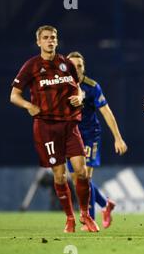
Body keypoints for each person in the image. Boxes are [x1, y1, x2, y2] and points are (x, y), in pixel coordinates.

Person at [10, 25, 99, 233]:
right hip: (46, 128)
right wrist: (29, 106)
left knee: (82, 172)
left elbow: (78, 86)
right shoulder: (31, 66)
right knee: (59, 176)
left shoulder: (66, 64)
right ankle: (69, 218)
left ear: (57, 41)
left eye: (53, 38)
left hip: (69, 125)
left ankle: (85, 214)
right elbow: (13, 95)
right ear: (39, 42)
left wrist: (80, 97)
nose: (50, 41)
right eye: (46, 38)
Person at [66, 51, 128, 230]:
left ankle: (89, 219)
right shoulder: (61, 86)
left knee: (85, 176)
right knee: (77, 180)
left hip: (89, 135)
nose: (76, 69)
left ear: (84, 68)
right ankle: (106, 203)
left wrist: (118, 138)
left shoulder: (92, 87)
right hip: (70, 136)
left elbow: (106, 112)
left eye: (79, 66)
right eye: (72, 66)